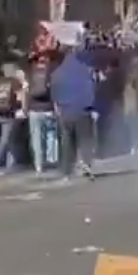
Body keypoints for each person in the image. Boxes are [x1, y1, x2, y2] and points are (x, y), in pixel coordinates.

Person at [52, 46, 99, 178]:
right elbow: (90, 89)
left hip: (65, 111)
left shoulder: (57, 72)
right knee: (85, 139)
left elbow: (54, 93)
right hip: (82, 110)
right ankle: (86, 165)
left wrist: (58, 108)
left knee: (68, 142)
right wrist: (92, 107)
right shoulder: (85, 70)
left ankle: (67, 171)